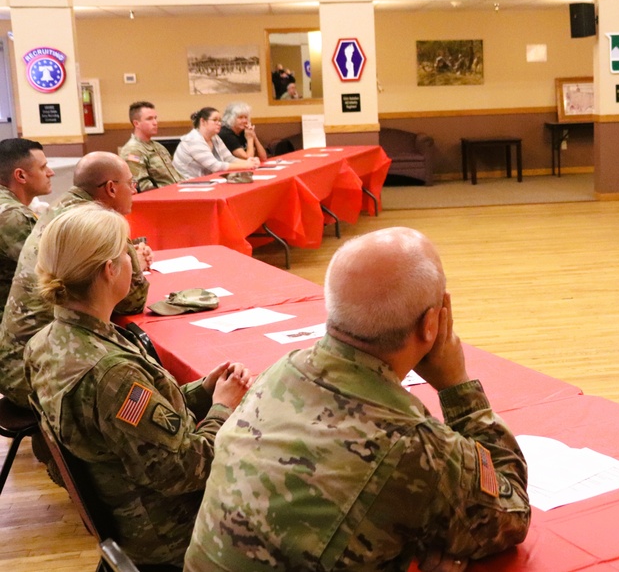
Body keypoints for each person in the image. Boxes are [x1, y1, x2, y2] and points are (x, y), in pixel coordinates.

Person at [185, 227, 531, 572]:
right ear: (431, 324)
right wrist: (456, 385)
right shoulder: (415, 444)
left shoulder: (283, 371)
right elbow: (512, 512)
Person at [24, 204, 252, 568]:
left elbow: (134, 424)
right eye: (127, 251)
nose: (134, 261)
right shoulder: (111, 373)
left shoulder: (49, 341)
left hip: (127, 510)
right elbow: (183, 469)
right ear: (109, 269)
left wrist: (204, 391)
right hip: (170, 532)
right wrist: (223, 408)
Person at [0, 152, 152, 408]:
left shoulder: (61, 209)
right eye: (131, 183)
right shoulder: (100, 223)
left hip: (17, 360)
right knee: (137, 378)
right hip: (39, 372)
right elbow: (133, 301)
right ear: (112, 188)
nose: (134, 190)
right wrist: (132, 262)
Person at [0, 138, 53, 317]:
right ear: (21, 176)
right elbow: (53, 271)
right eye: (43, 167)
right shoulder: (12, 216)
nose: (50, 173)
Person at [118, 101, 187, 191]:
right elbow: (142, 186)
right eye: (149, 119)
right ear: (136, 123)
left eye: (155, 118)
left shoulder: (158, 147)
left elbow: (175, 177)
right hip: (160, 199)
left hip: (177, 192)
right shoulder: (133, 150)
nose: (155, 122)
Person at [173, 107, 259, 179]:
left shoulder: (215, 137)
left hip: (206, 181)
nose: (219, 123)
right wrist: (246, 165)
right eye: (215, 120)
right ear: (203, 121)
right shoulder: (193, 140)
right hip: (187, 183)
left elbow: (229, 159)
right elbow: (215, 166)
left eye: (220, 120)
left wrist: (250, 162)